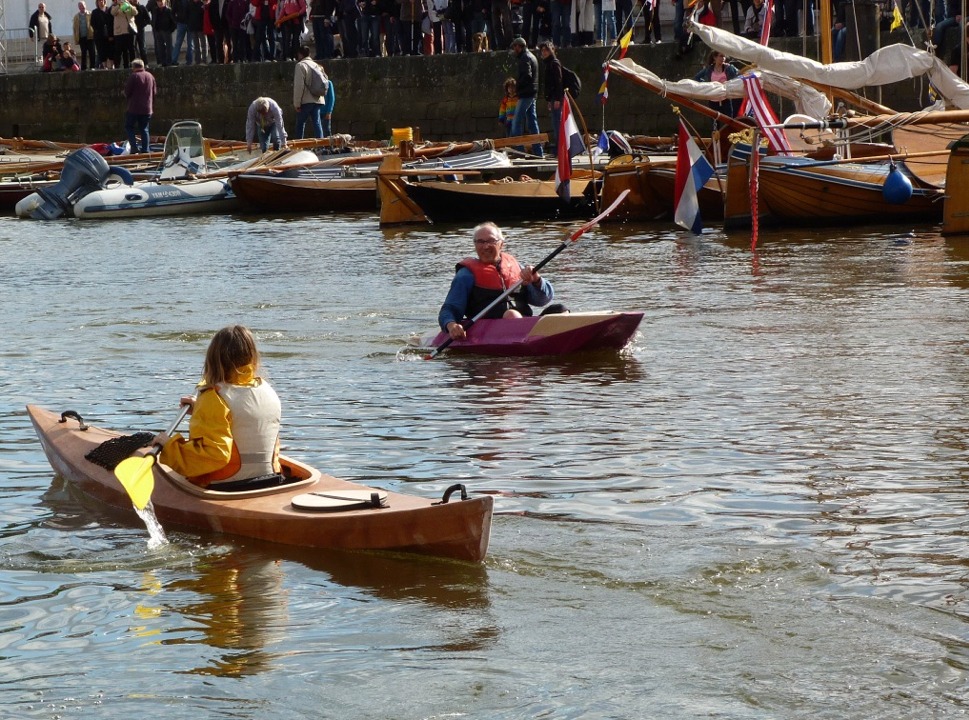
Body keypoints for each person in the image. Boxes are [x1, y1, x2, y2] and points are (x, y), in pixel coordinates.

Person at [154, 325, 282, 490]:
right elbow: (244, 420)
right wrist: (201, 410)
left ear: (213, 359)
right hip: (271, 479)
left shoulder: (214, 398)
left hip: (226, 486)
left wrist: (169, 447)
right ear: (252, 357)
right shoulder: (267, 389)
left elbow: (214, 455)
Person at [438, 222, 555, 340]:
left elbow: (542, 300)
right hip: (487, 329)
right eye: (480, 242)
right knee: (511, 315)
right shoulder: (465, 275)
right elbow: (450, 308)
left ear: (501, 244)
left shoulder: (516, 267)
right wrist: (451, 325)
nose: (485, 246)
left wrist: (536, 279)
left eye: (491, 241)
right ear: (475, 245)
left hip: (524, 323)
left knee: (559, 309)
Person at [509, 37, 543, 157]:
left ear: (520, 46)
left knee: (516, 122)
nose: (514, 49)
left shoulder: (525, 58)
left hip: (526, 94)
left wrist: (518, 86)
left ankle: (519, 151)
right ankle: (538, 152)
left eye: (515, 47)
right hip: (532, 93)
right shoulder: (531, 56)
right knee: (532, 124)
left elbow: (527, 76)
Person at [693, 50, 739, 119]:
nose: (723, 58)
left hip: (726, 99)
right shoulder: (709, 69)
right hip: (713, 100)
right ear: (715, 57)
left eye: (724, 56)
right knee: (714, 123)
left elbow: (739, 75)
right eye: (721, 56)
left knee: (730, 121)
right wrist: (707, 85)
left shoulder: (729, 68)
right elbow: (697, 77)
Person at [293, 45, 326, 138]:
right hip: (318, 99)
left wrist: (297, 103)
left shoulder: (300, 65)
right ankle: (321, 145)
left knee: (300, 124)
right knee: (317, 123)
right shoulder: (317, 66)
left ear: (299, 54)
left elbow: (299, 86)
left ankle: (298, 146)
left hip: (306, 100)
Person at [124, 58, 156, 153]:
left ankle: (133, 148)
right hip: (147, 109)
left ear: (134, 67)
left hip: (134, 108)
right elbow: (154, 93)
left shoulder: (134, 77)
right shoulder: (150, 76)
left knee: (129, 126)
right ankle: (145, 150)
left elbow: (127, 92)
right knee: (144, 129)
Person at [539, 40, 563, 151]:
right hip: (552, 98)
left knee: (558, 123)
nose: (544, 52)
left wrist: (558, 98)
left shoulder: (554, 63)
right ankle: (559, 147)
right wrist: (548, 100)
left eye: (546, 50)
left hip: (556, 98)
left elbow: (558, 82)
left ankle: (560, 149)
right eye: (542, 50)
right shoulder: (547, 64)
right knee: (555, 123)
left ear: (552, 51)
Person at [111, 0, 137, 68]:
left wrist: (129, 5)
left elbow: (135, 12)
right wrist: (119, 5)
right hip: (119, 32)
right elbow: (113, 13)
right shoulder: (114, 6)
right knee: (119, 50)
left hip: (129, 31)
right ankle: (119, 66)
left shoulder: (129, 5)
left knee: (131, 49)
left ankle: (133, 64)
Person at [151, 0, 177, 64]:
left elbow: (174, 22)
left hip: (167, 31)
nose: (160, 3)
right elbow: (153, 20)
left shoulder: (169, 10)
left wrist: (170, 30)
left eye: (161, 1)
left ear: (164, 2)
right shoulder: (155, 10)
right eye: (158, 2)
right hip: (158, 31)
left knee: (169, 47)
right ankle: (163, 62)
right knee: (160, 48)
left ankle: (169, 61)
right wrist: (154, 27)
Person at [91, 0, 114, 67]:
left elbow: (112, 22)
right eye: (99, 1)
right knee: (101, 51)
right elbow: (92, 23)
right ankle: (105, 66)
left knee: (111, 50)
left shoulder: (109, 10)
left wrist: (111, 34)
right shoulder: (95, 12)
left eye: (102, 0)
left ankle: (112, 65)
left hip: (110, 35)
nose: (101, 2)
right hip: (99, 36)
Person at [74, 2, 96, 70]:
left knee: (92, 52)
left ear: (85, 6)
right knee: (83, 53)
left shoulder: (90, 14)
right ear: (78, 7)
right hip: (81, 37)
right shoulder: (76, 16)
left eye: (83, 5)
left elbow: (94, 24)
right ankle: (84, 68)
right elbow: (75, 28)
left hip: (90, 36)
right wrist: (76, 38)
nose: (82, 7)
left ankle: (92, 66)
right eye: (80, 6)